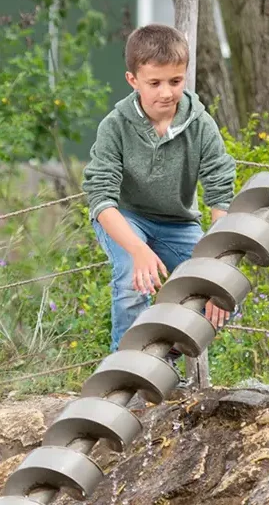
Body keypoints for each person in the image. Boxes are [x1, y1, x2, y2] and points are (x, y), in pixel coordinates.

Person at [82, 24, 236, 358]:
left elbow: (219, 187)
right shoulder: (115, 127)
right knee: (130, 281)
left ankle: (163, 353)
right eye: (154, 83)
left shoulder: (200, 125)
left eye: (175, 81)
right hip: (125, 218)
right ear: (132, 80)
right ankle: (123, 369)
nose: (166, 92)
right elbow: (101, 197)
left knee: (222, 292)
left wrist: (217, 263)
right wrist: (137, 249)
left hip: (177, 223)